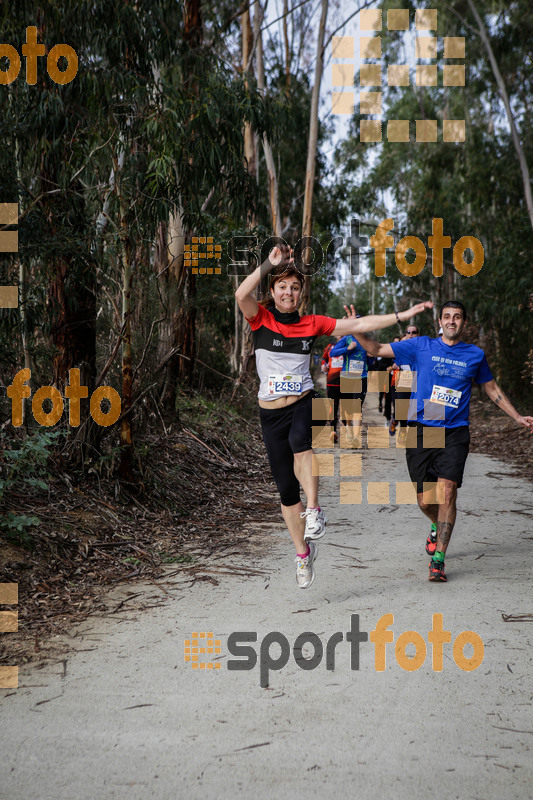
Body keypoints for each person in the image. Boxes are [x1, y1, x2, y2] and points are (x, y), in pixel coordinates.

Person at [235, 245, 432, 589]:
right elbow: (240, 293)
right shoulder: (260, 320)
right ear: (273, 291)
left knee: (302, 443)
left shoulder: (312, 324)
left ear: (301, 293)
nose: (288, 293)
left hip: (303, 401)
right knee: (285, 491)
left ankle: (315, 509)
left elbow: (360, 323)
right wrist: (270, 264)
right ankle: (302, 554)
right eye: (282, 287)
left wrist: (401, 316)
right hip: (269, 414)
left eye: (295, 288)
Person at [353, 300, 533, 582]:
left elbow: (491, 387)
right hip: (422, 428)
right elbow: (376, 350)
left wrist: (516, 416)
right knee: (425, 500)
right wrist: (355, 329)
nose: (452, 321)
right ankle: (437, 524)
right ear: (439, 321)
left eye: (457, 317)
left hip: (455, 431)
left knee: (447, 491)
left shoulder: (474, 355)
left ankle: (438, 560)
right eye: (447, 316)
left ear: (464, 323)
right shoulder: (420, 346)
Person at [329, 320, 371, 448]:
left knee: (357, 407)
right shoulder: (347, 339)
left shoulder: (367, 340)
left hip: (362, 376)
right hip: (347, 376)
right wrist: (348, 348)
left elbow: (374, 356)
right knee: (347, 408)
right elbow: (332, 353)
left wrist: (371, 355)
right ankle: (347, 426)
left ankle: (356, 437)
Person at [394, 324, 420, 446]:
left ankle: (415, 434)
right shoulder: (402, 347)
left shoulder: (422, 348)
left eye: (413, 332)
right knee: (403, 408)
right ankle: (403, 432)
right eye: (408, 332)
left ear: (417, 334)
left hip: (418, 381)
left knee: (416, 408)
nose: (410, 334)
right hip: (404, 380)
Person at [320, 336, 343, 442]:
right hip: (332, 382)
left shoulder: (351, 345)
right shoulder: (330, 347)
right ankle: (332, 432)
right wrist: (324, 365)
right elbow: (324, 358)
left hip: (349, 380)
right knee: (332, 408)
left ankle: (349, 432)